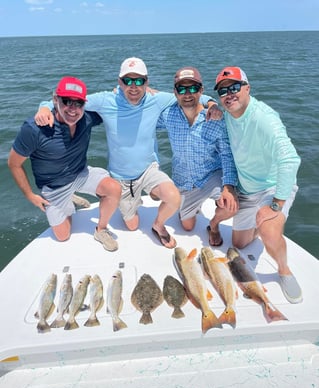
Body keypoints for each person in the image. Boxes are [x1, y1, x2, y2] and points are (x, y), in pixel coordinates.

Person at [35, 58, 217, 249]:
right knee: (132, 226)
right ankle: (117, 200)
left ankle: (158, 225)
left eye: (139, 81)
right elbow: (71, 102)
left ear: (146, 82)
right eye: (128, 81)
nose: (133, 86)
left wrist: (211, 103)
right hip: (121, 178)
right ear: (119, 82)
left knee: (173, 197)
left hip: (148, 170)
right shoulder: (106, 100)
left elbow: (190, 96)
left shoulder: (156, 99)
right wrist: (45, 106)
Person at [214, 66, 302, 303]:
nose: (229, 94)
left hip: (272, 189)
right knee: (239, 244)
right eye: (223, 92)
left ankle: (284, 270)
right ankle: (261, 223)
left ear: (247, 88)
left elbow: (290, 159)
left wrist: (275, 205)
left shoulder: (264, 117)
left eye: (234, 87)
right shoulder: (228, 115)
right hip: (246, 189)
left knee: (268, 231)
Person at [8, 76, 121, 252]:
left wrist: (121, 94)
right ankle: (69, 198)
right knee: (63, 236)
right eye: (67, 101)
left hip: (80, 173)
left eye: (79, 103)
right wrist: (30, 195)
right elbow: (14, 164)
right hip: (54, 187)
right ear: (55, 100)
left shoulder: (88, 118)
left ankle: (101, 229)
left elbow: (113, 106)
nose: (73, 109)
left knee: (114, 189)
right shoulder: (34, 129)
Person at [157, 67, 238, 245]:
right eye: (182, 89)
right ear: (175, 92)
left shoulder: (216, 118)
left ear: (201, 90)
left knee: (232, 205)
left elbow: (226, 155)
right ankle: (189, 207)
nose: (187, 94)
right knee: (188, 227)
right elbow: (143, 117)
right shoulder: (167, 115)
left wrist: (228, 187)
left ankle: (214, 225)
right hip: (184, 181)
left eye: (193, 88)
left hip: (211, 176)